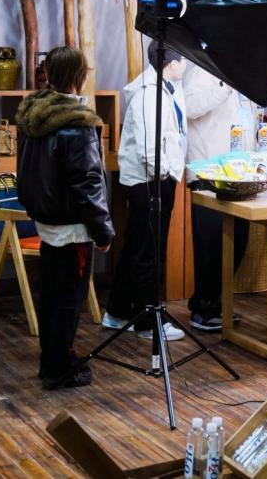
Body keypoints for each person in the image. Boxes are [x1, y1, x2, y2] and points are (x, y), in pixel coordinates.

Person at [16, 47, 115, 390]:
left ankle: (52, 360)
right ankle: (58, 367)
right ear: (79, 76)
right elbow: (88, 183)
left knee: (51, 295)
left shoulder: (34, 113)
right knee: (68, 300)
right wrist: (103, 231)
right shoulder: (77, 122)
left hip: (46, 221)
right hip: (73, 226)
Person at [103, 41, 188, 342]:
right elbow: (148, 145)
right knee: (149, 252)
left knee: (137, 247)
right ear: (172, 62)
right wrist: (162, 176)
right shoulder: (148, 93)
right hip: (150, 180)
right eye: (183, 59)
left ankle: (117, 311)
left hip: (156, 177)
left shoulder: (165, 89)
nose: (186, 64)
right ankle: (147, 321)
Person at [183, 65, 256, 331]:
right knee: (211, 245)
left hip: (239, 173)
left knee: (238, 241)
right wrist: (223, 87)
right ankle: (203, 308)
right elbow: (189, 107)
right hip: (208, 171)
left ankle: (215, 303)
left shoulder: (242, 76)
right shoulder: (202, 70)